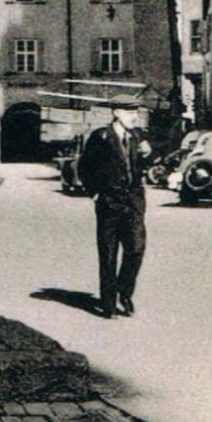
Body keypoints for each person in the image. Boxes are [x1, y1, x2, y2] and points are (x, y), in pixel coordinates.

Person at [78, 95, 152, 319]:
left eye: (136, 112)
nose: (135, 117)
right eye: (130, 113)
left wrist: (148, 154)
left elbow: (145, 164)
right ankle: (108, 303)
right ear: (117, 113)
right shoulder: (101, 136)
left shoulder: (138, 136)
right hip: (109, 202)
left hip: (134, 201)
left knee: (136, 248)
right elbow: (84, 167)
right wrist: (95, 193)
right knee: (109, 254)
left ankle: (125, 291)